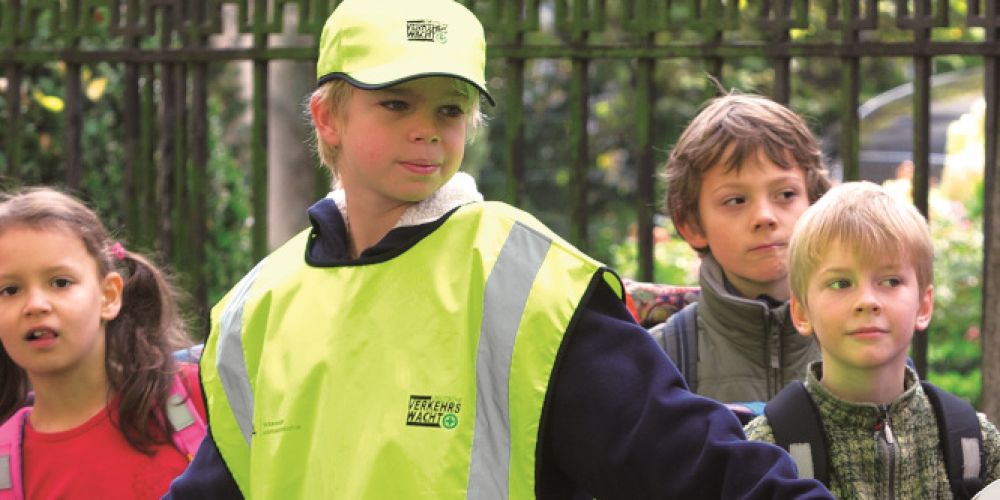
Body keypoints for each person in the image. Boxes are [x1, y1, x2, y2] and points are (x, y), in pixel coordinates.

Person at [166, 0, 834, 498]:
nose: (428, 130)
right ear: (327, 117)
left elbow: (687, 457)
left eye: (450, 109)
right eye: (397, 104)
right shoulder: (257, 306)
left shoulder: (526, 279)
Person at [744, 181, 1000, 498]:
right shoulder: (766, 448)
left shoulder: (975, 445)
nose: (867, 300)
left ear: (924, 305)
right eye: (841, 283)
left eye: (890, 281)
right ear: (801, 311)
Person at [0, 187, 206, 498]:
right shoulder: (7, 465)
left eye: (60, 282)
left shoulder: (198, 397)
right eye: (10, 290)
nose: (35, 305)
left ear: (108, 296)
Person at [654, 93, 832, 407]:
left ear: (815, 204)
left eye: (786, 194)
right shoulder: (660, 360)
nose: (764, 216)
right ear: (692, 225)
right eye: (735, 200)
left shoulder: (859, 341)